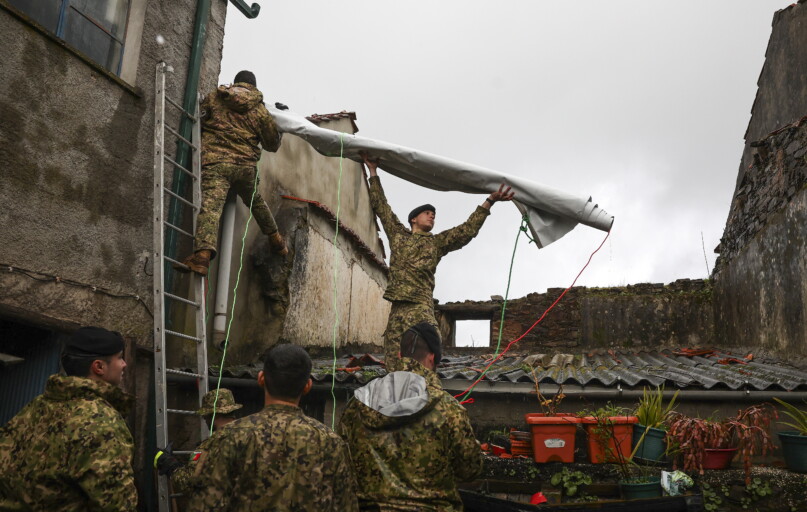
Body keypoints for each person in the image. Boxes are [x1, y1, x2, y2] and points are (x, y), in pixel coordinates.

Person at [362, 154, 514, 368]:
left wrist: (489, 201)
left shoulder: (436, 243)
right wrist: (373, 171)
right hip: (398, 310)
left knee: (426, 360)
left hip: (421, 307)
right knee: (394, 363)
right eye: (427, 213)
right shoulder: (399, 235)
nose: (432, 216)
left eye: (434, 214)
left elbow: (465, 231)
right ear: (413, 218)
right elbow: (381, 206)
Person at [184, 344, 359, 511]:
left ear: (261, 378)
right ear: (308, 386)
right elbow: (346, 506)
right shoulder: (331, 443)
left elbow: (204, 505)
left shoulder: (229, 437)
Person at [338, 322, 483, 511]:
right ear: (432, 358)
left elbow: (340, 463)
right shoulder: (449, 410)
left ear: (399, 356)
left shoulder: (357, 405)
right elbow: (469, 470)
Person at [0, 326, 137, 511]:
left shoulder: (37, 405)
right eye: (120, 357)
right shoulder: (102, 421)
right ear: (99, 367)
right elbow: (117, 505)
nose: (124, 364)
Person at [178, 70, 288, 277]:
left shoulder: (217, 97)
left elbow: (198, 119)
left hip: (216, 162)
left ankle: (201, 257)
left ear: (237, 82)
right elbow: (272, 145)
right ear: (254, 87)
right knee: (255, 201)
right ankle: (277, 240)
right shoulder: (261, 112)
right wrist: (279, 127)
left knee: (211, 207)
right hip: (245, 167)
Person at [155, 388, 244, 492]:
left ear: (212, 415)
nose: (205, 421)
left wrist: (169, 464)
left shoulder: (209, 447)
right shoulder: (249, 435)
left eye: (205, 417)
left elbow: (187, 482)